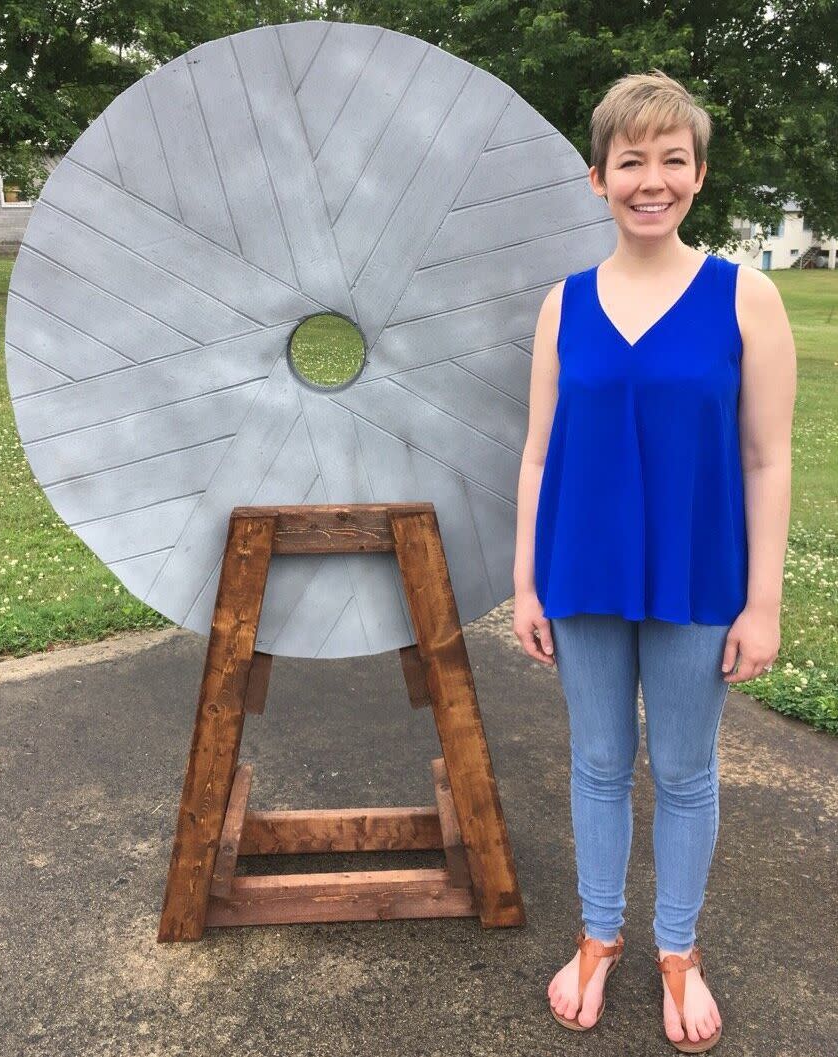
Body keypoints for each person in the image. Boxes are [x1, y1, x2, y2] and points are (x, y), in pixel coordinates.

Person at [512, 70, 796, 1053]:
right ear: (597, 178)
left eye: (669, 159)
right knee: (596, 763)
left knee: (680, 769)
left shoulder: (744, 297)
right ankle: (599, 936)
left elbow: (765, 457)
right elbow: (539, 451)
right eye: (628, 160)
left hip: (694, 577)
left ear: (696, 174)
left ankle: (677, 949)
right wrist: (523, 580)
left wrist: (760, 603)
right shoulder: (563, 305)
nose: (649, 178)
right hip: (581, 573)